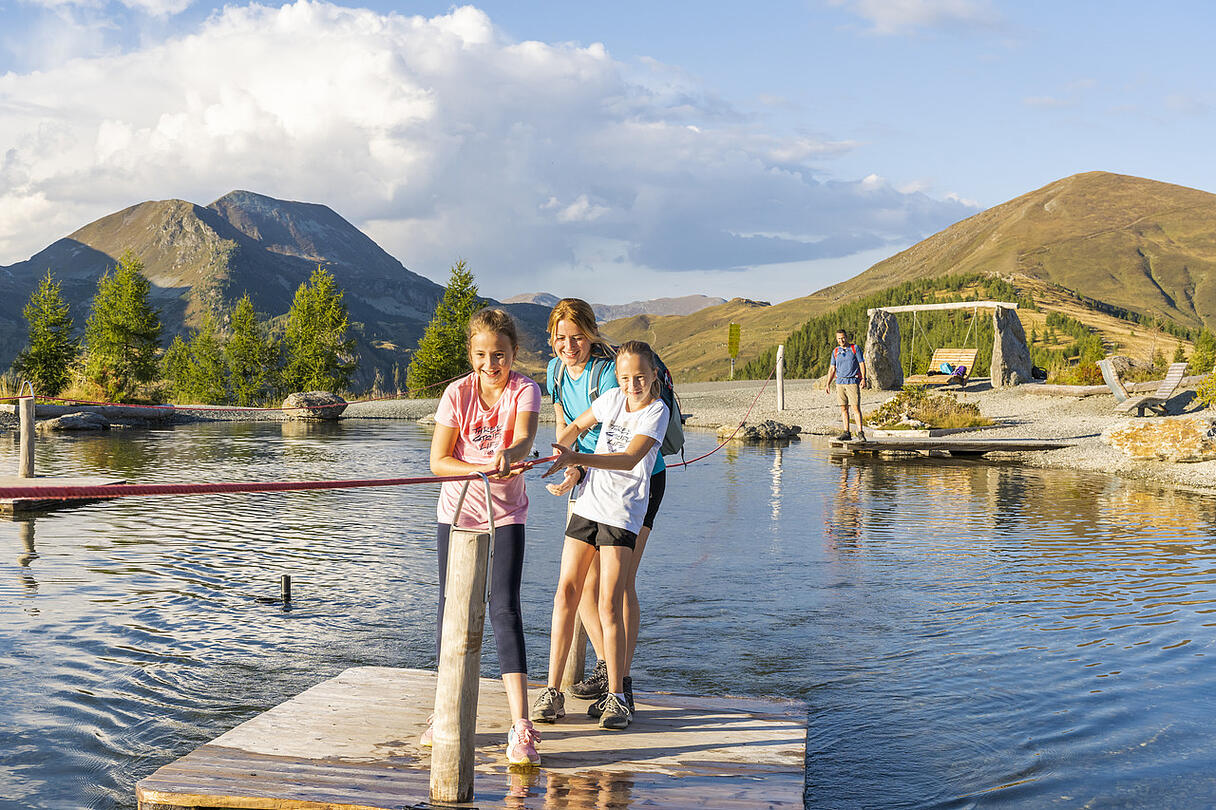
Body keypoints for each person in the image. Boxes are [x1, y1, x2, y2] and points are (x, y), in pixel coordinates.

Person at [424, 307, 543, 766]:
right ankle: (444, 712)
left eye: (499, 355)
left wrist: (507, 455)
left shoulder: (525, 389)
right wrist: (478, 468)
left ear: (514, 353)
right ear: (470, 354)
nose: (491, 364)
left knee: (504, 606)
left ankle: (522, 725)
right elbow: (439, 461)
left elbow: (524, 439)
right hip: (456, 512)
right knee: (450, 605)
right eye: (481, 355)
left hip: (507, 510)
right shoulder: (457, 393)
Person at [531, 340, 670, 731]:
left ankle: (617, 697)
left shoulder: (655, 412)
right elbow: (578, 424)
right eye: (625, 377)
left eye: (639, 377)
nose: (631, 385)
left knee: (609, 602)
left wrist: (578, 459)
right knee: (566, 592)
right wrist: (565, 447)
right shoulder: (612, 398)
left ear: (653, 376)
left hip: (622, 514)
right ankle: (552, 691)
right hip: (589, 505)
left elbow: (628, 459)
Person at [826, 329, 866, 441]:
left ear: (846, 337)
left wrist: (863, 378)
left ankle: (860, 432)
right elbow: (832, 368)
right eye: (839, 338)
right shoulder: (835, 351)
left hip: (852, 382)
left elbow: (861, 363)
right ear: (836, 339)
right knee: (843, 408)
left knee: (855, 408)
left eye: (843, 338)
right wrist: (828, 384)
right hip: (840, 383)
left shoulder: (855, 348)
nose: (841, 340)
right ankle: (846, 432)